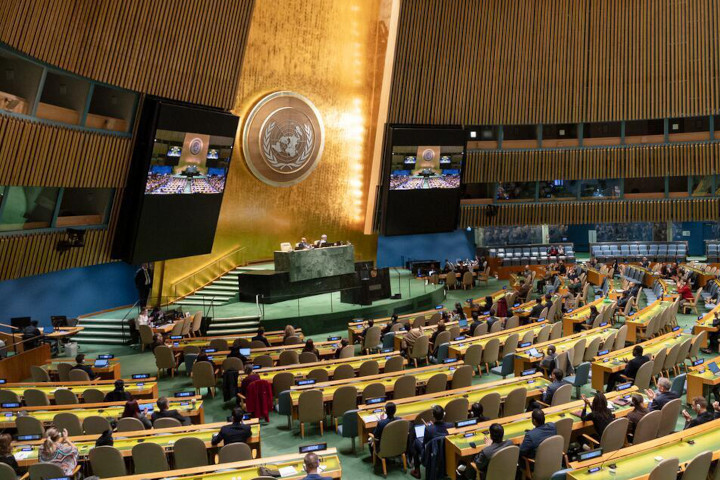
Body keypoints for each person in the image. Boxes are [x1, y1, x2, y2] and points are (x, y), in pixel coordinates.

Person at [410, 405, 451, 477]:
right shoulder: (450, 426)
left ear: (433, 415)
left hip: (431, 455)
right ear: (444, 414)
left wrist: (430, 428)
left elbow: (424, 445)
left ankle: (417, 471)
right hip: (446, 454)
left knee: (416, 442)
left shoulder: (429, 429)